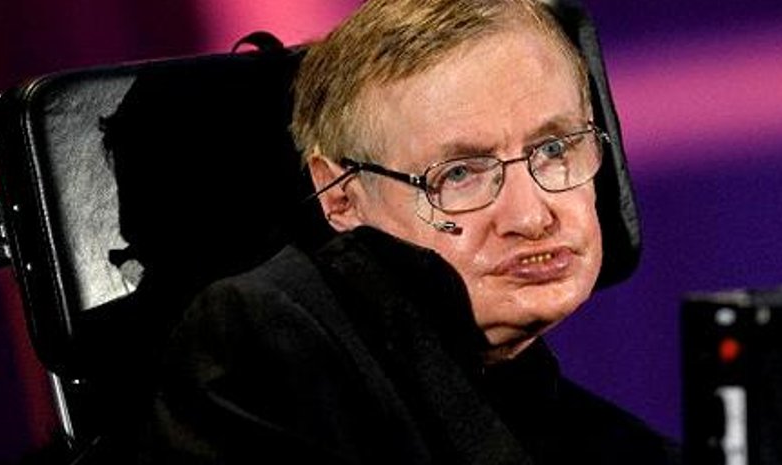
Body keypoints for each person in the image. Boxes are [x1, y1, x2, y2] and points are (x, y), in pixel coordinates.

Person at [135, 0, 680, 463]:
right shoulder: (265, 343)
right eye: (459, 174)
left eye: (554, 148)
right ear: (341, 195)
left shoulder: (631, 447)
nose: (531, 217)